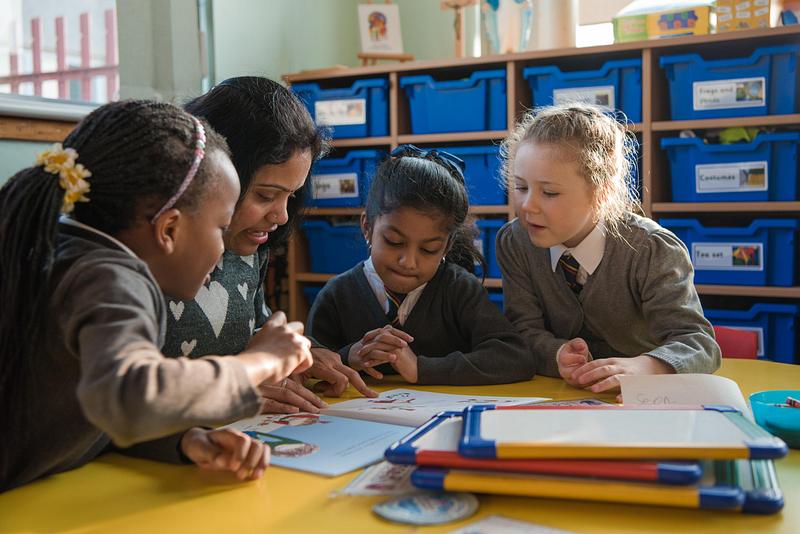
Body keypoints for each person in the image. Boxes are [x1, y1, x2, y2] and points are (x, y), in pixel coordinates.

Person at [0, 100, 312, 492]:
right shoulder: (110, 279)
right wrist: (260, 362)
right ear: (168, 230)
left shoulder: (70, 254)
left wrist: (183, 439)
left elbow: (94, 404)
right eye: (220, 228)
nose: (222, 250)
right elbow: (132, 396)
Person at [168, 77, 376, 410]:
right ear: (215, 174)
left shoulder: (250, 251)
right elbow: (137, 392)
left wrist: (299, 355)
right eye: (265, 195)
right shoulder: (158, 260)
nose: (280, 215)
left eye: (291, 197)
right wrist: (238, 389)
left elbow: (254, 332)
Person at [495, 103, 720, 395]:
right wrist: (556, 355)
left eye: (549, 192)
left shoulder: (651, 248)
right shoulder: (515, 242)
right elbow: (522, 331)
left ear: (600, 194)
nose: (527, 206)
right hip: (560, 399)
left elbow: (698, 343)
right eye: (521, 187)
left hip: (643, 403)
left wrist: (646, 367)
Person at [307, 145, 535, 385]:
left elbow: (515, 357)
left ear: (447, 247)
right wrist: (347, 357)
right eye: (394, 242)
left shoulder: (459, 290)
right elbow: (309, 365)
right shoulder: (336, 295)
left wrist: (421, 368)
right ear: (367, 227)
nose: (409, 262)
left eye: (429, 249)